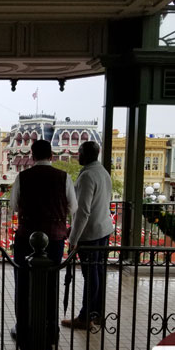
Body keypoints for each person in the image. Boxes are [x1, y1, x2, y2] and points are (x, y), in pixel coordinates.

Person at [10, 139, 77, 350]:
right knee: (51, 283)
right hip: (55, 238)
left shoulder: (23, 177)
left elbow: (13, 205)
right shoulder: (63, 177)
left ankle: (23, 328)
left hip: (26, 236)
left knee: (23, 282)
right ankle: (51, 330)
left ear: (32, 155)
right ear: (51, 155)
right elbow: (73, 207)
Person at [62, 141, 114, 330]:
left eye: (80, 152)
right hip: (103, 229)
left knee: (91, 275)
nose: (78, 155)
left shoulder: (87, 176)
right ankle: (96, 314)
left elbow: (83, 211)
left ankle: (85, 317)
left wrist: (73, 239)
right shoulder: (103, 172)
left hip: (90, 234)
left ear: (87, 154)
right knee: (98, 272)